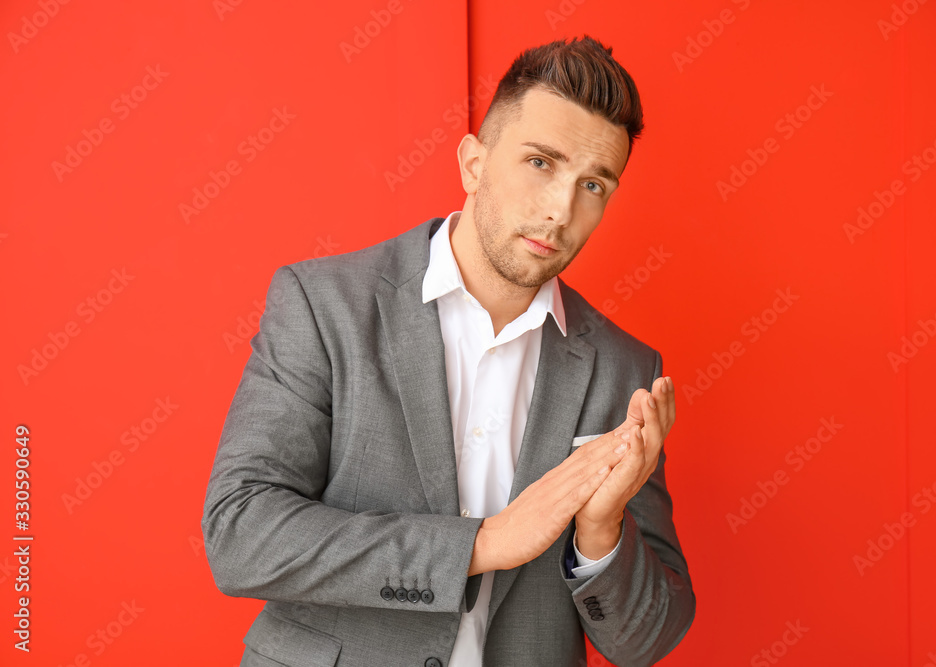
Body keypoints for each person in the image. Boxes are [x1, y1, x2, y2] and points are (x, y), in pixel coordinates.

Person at [202, 34, 695, 667]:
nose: (560, 210)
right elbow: (241, 536)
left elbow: (647, 641)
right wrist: (483, 543)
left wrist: (600, 533)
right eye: (542, 162)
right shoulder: (323, 305)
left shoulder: (627, 372)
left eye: (593, 184)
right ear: (472, 164)